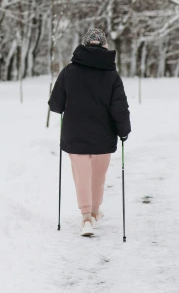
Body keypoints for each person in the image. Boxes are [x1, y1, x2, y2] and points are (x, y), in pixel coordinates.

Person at [48, 28, 131, 237]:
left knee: (81, 175)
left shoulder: (69, 71)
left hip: (75, 135)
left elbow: (56, 105)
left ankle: (85, 217)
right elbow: (119, 108)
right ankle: (94, 213)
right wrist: (123, 131)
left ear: (84, 46)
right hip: (103, 135)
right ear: (104, 46)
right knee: (98, 176)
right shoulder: (112, 75)